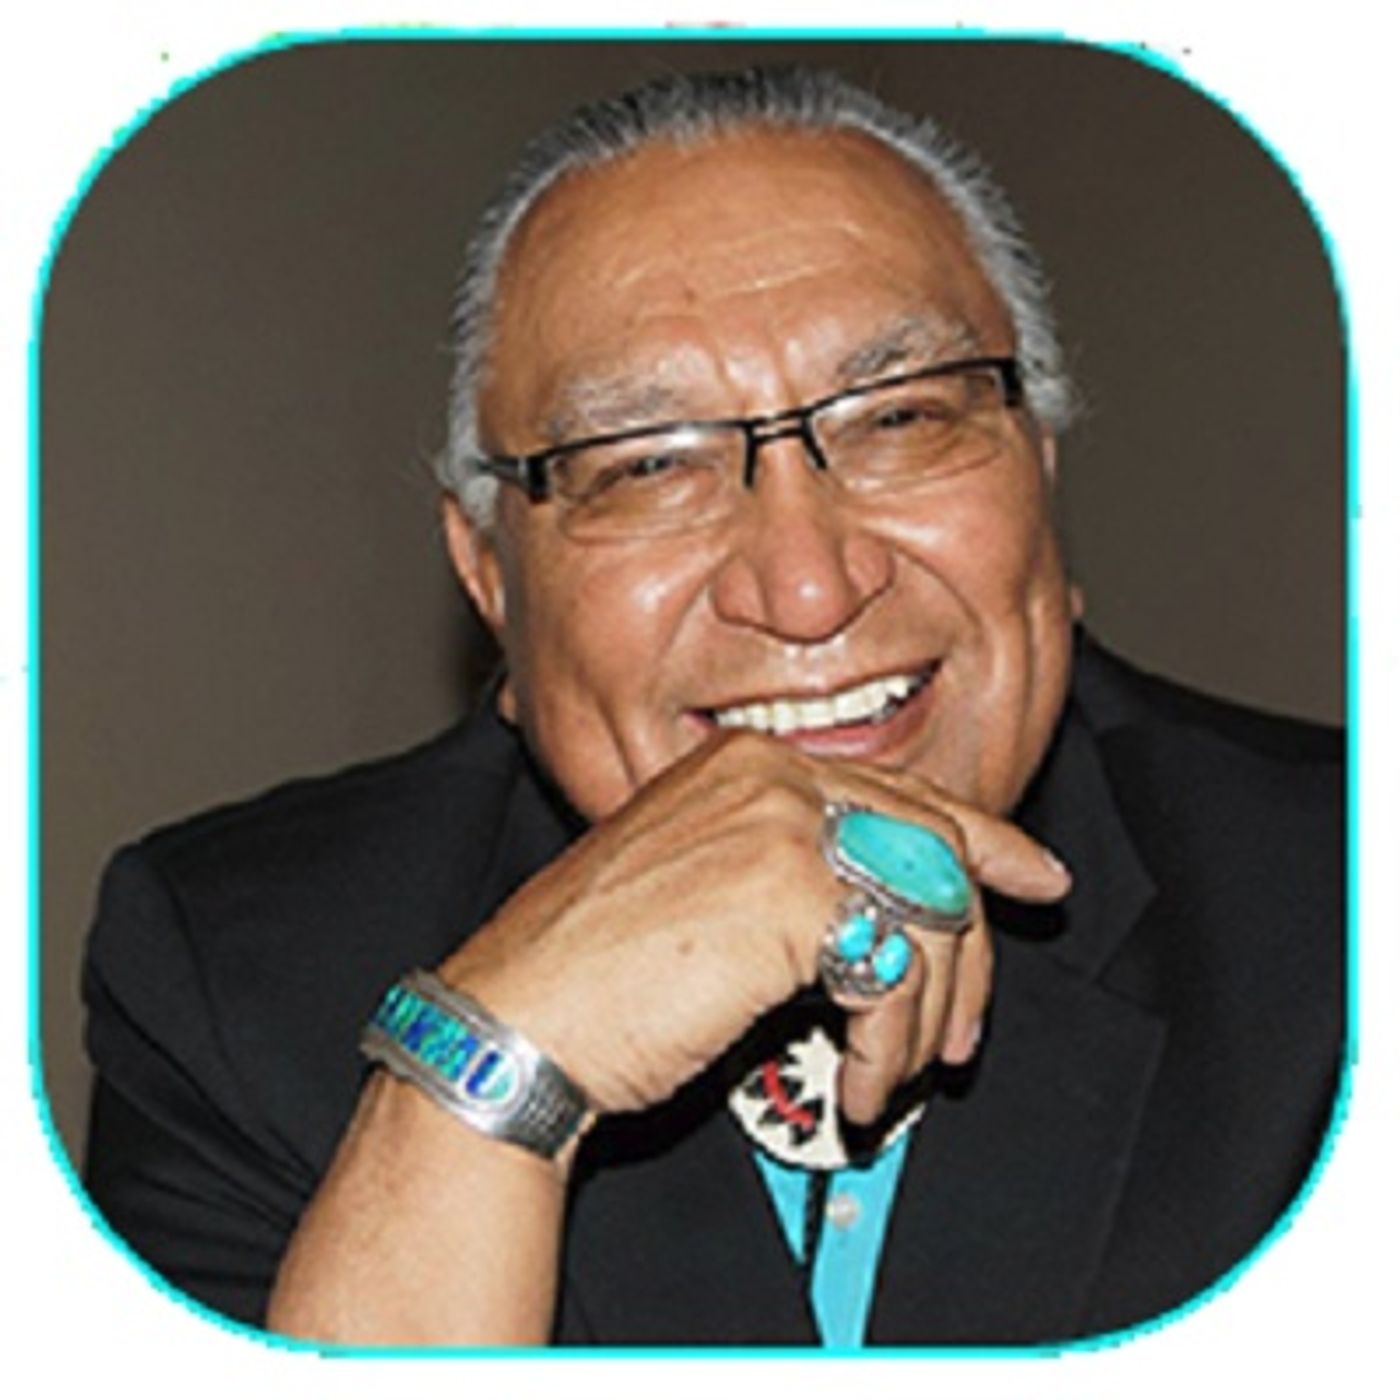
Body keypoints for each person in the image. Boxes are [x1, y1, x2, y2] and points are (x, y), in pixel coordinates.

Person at [80, 66, 1343, 1347]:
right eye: (645, 463)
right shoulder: (232, 976)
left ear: (1038, 469)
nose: (806, 587)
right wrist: (482, 1081)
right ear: (488, 576)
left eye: (899, 416)